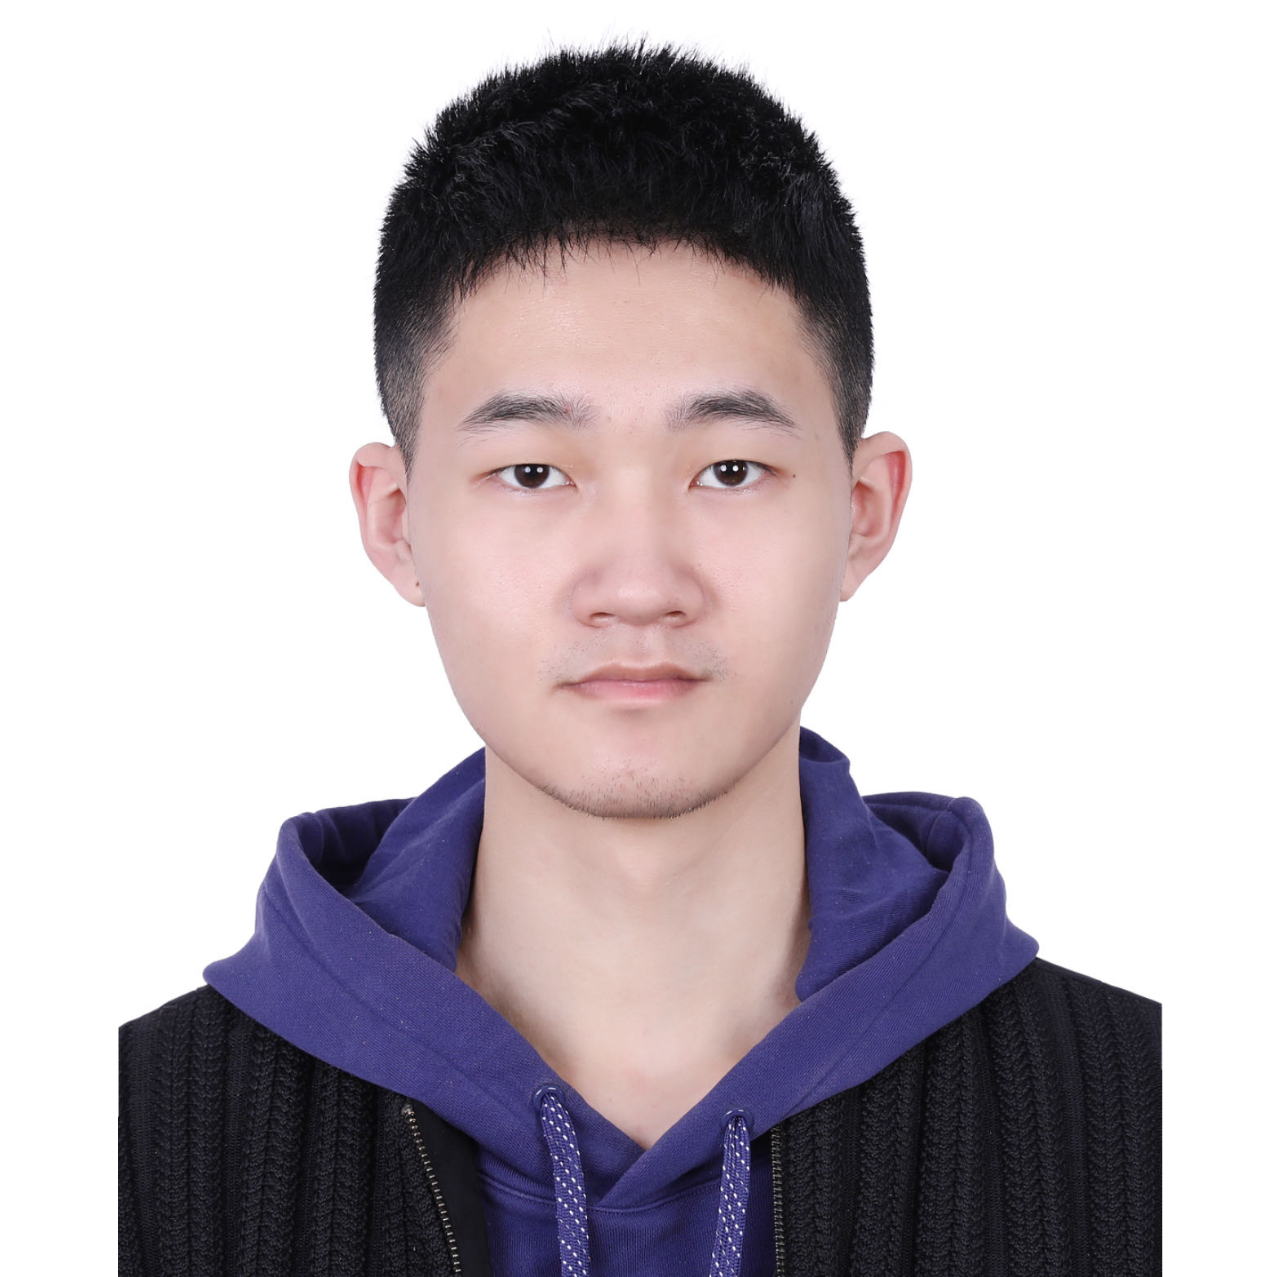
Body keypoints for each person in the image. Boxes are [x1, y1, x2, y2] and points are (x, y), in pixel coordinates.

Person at [118, 42, 1160, 1277]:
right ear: (396, 521)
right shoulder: (119, 1143)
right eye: (532, 471)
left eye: (728, 468)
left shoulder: (1161, 1124)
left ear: (862, 511)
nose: (636, 582)